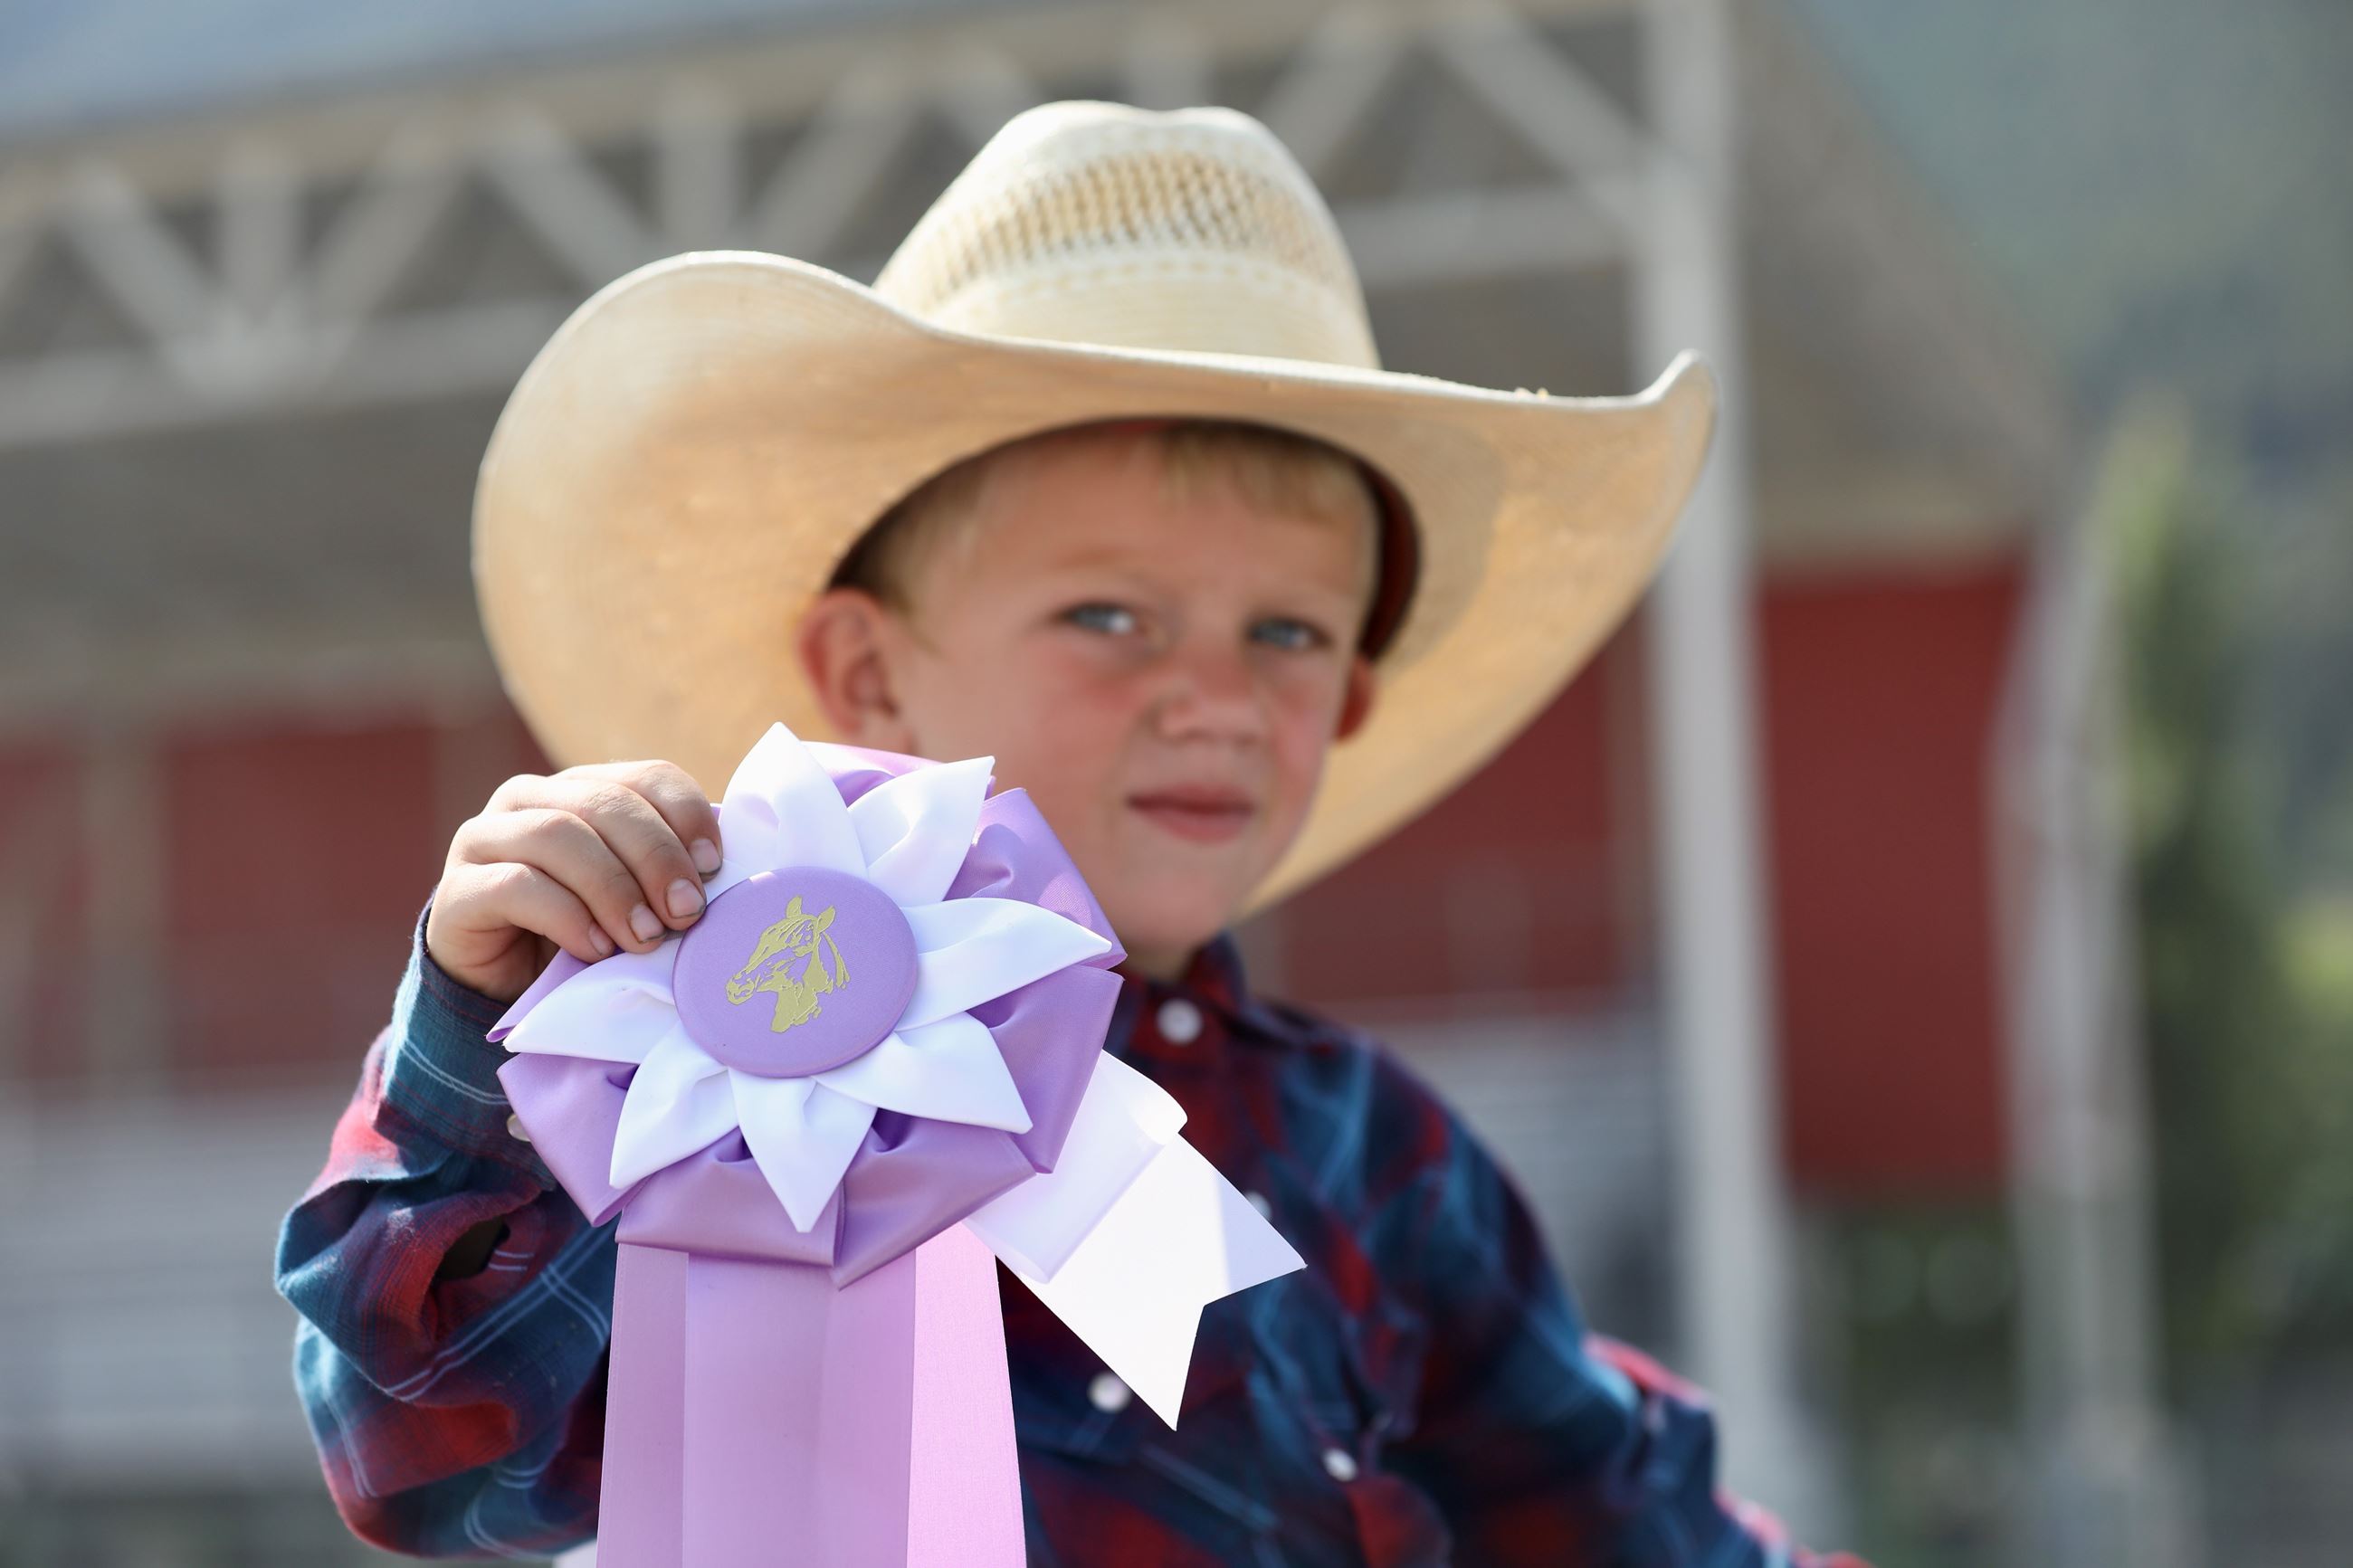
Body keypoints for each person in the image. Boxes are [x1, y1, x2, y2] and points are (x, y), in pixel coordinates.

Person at [276, 100, 1858, 1566]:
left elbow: (1625, 1520)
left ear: (1354, 699)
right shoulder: (717, 1068)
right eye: (1108, 613)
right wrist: (481, 1036)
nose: (1218, 698)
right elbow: (431, 1455)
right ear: (866, 673)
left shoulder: (1389, 1159)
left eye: (1289, 634)